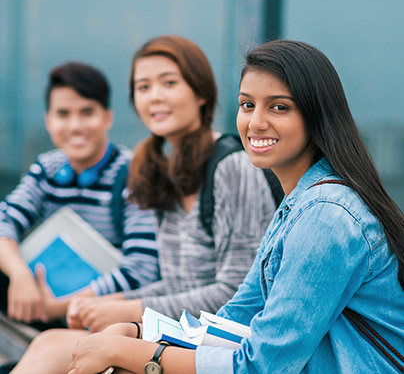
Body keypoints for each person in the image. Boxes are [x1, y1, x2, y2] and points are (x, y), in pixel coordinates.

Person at [31, 39, 404, 374]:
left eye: (279, 107)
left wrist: (136, 351)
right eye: (247, 105)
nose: (256, 122)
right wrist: (139, 330)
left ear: (316, 115)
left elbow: (261, 366)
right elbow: (234, 317)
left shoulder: (325, 216)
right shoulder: (298, 204)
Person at [7, 35, 276, 374]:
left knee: (63, 350)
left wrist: (133, 309)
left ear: (201, 93)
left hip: (225, 347)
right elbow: (181, 281)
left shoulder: (232, 166)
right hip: (181, 331)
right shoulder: (161, 170)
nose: (155, 96)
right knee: (51, 344)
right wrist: (109, 303)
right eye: (143, 87)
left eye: (168, 83)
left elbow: (238, 290)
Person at [0, 62, 159, 326]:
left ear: (107, 117)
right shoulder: (47, 168)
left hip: (106, 317)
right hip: (44, 304)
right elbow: (5, 221)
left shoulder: (135, 174)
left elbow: (141, 271)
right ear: (48, 120)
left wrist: (58, 307)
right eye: (63, 114)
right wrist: (20, 277)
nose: (75, 126)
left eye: (87, 112)